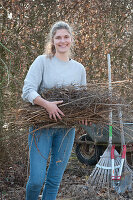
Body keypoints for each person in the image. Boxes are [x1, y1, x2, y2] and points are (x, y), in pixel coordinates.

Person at [22, 21, 87, 200]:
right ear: (52, 40)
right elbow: (27, 91)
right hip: (41, 127)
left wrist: (84, 117)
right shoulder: (42, 61)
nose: (62, 41)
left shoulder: (79, 69)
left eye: (66, 37)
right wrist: (46, 104)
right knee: (36, 179)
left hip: (66, 130)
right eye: (58, 37)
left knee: (54, 181)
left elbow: (82, 101)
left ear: (71, 39)